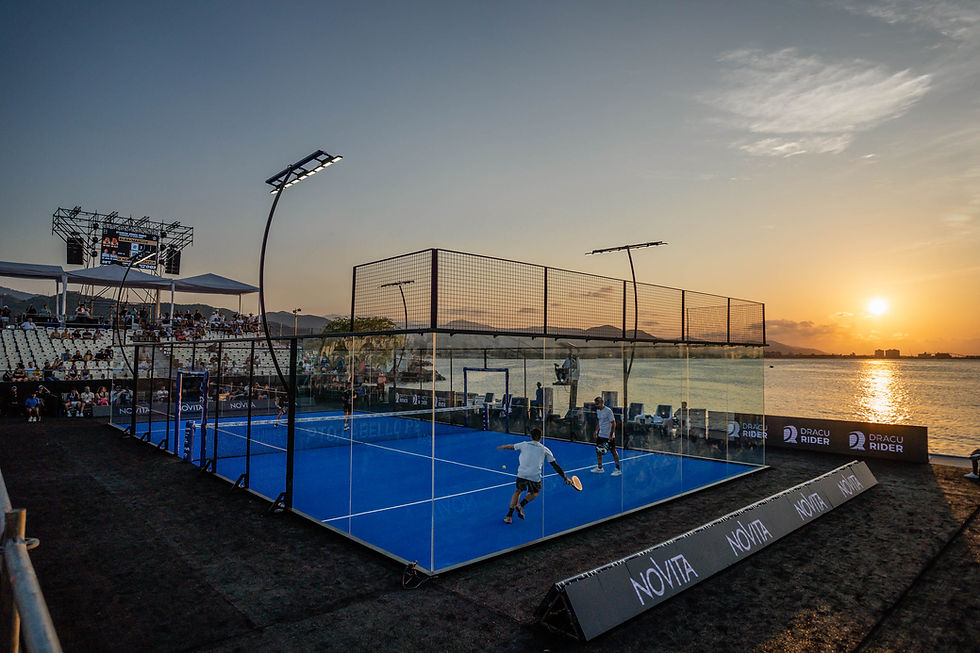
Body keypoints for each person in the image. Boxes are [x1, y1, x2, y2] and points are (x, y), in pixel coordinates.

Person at [497, 428, 571, 524]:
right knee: (535, 492)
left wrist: (503, 447)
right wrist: (565, 477)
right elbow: (555, 465)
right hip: (534, 476)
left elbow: (512, 446)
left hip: (522, 474)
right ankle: (521, 505)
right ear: (541, 437)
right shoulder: (545, 449)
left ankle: (508, 516)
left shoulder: (523, 444)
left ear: (531, 436)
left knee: (518, 492)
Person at [591, 396, 621, 475]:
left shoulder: (608, 411)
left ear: (602, 403)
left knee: (613, 451)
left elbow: (613, 423)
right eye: (596, 404)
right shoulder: (598, 411)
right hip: (601, 435)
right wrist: (596, 431)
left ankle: (618, 469)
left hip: (608, 435)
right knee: (598, 451)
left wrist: (611, 435)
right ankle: (600, 468)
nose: (597, 406)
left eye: (598, 404)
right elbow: (600, 422)